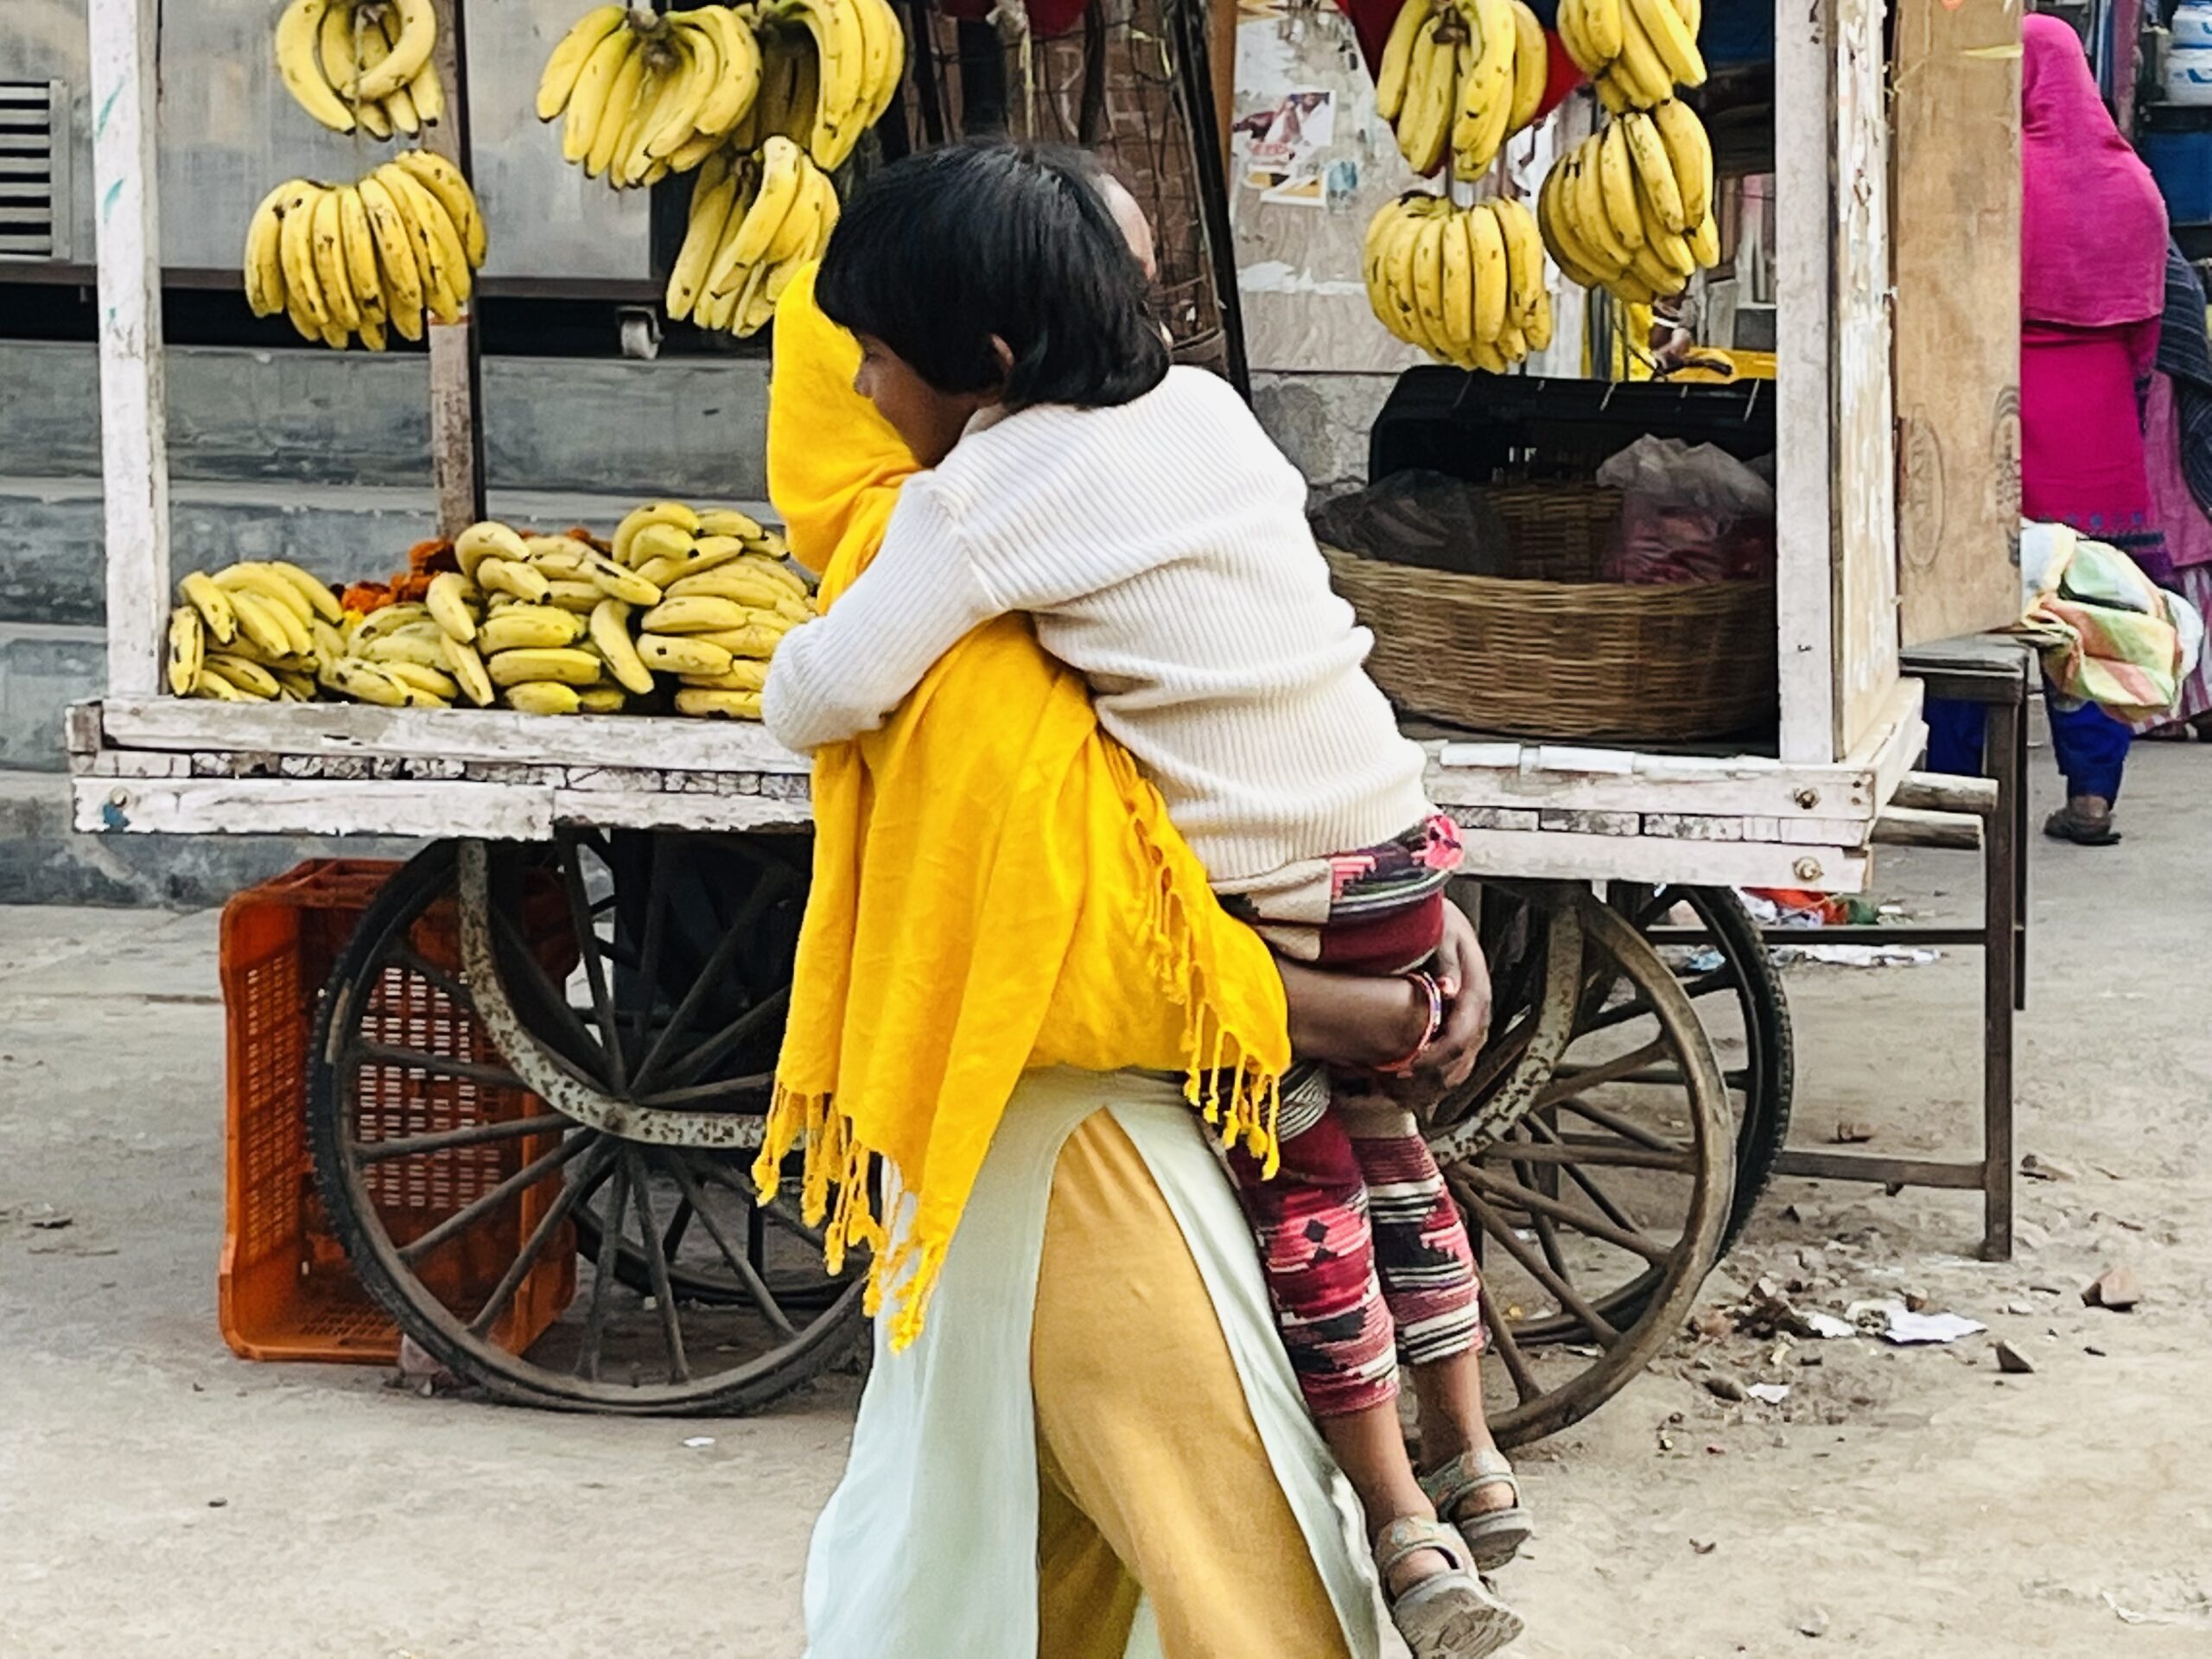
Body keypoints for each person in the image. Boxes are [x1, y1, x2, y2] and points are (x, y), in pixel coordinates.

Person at [761, 143, 1527, 1657]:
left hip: (1089, 1151)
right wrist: (1392, 966)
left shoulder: (960, 559)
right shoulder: (1194, 430)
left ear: (976, 363)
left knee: (1216, 1571)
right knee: (1191, 1547)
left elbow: (1090, 937)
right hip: (1158, 1075)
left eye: (880, 355)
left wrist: (1338, 1003)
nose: (859, 385)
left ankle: (1415, 1509)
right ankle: (1459, 1457)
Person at [1928, 16, 2172, 842]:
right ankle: (2092, 799)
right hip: (2101, 431)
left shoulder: (1990, 173)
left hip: (1992, 418)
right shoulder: (2134, 185)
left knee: (1965, 616)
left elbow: (1946, 300)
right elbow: (2149, 333)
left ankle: (1959, 800)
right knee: (2088, 616)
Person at [2139, 244, 2212, 741]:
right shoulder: (2166, 255)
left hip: (2151, 394)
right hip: (2158, 391)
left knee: (2161, 538)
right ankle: (2192, 702)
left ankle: (2164, 708)